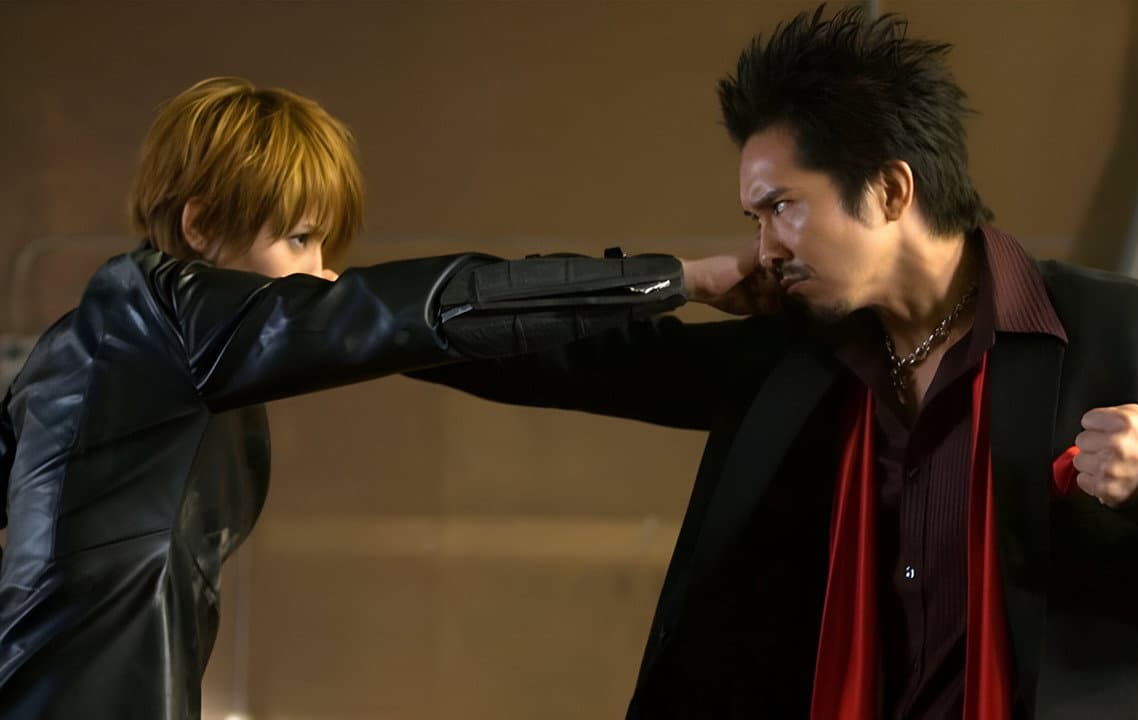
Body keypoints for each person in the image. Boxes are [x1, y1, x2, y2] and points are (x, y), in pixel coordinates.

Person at [421, 6, 1138, 718]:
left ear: (892, 190)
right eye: (756, 218)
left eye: (783, 208)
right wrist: (674, 279)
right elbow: (558, 360)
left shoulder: (1111, 330)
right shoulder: (797, 354)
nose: (766, 246)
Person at [0, 76, 687, 719]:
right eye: (299, 238)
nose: (319, 268)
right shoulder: (165, 322)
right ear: (201, 226)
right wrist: (674, 279)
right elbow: (406, 307)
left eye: (322, 240)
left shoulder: (103, 336)